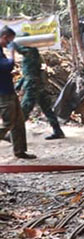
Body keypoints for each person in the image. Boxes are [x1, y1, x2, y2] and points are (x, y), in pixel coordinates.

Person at [13, 34, 64, 139]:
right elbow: (28, 73)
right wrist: (19, 85)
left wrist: (12, 43)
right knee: (47, 109)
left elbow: (19, 49)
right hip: (37, 84)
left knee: (24, 110)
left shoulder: (31, 52)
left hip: (33, 86)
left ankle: (15, 135)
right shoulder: (31, 54)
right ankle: (58, 131)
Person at [1, 26, 35, 159]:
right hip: (3, 94)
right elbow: (7, 65)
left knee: (19, 122)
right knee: (8, 123)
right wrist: (12, 52)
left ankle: (20, 151)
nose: (9, 43)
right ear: (4, 37)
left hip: (8, 90)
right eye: (9, 40)